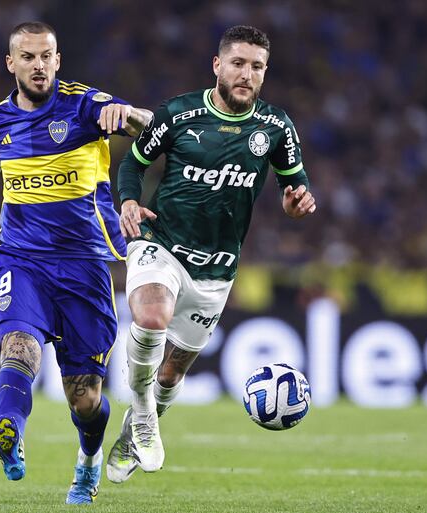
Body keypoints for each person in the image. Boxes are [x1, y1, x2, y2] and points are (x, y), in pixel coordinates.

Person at [0, 21, 151, 504]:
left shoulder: (85, 104)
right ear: (12, 63)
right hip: (22, 258)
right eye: (27, 57)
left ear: (58, 59)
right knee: (17, 349)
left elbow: (150, 127)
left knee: (84, 397)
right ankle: (9, 432)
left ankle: (88, 463)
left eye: (46, 56)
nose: (38, 65)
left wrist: (127, 116)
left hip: (86, 265)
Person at [107, 25, 317, 483]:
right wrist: (127, 200)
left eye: (256, 67)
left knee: (172, 370)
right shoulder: (178, 114)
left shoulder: (275, 127)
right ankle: (141, 412)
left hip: (217, 267)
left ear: (265, 73)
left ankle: (131, 434)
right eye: (238, 63)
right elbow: (134, 163)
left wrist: (296, 203)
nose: (247, 74)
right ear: (218, 65)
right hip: (160, 241)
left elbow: (294, 187)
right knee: (151, 318)